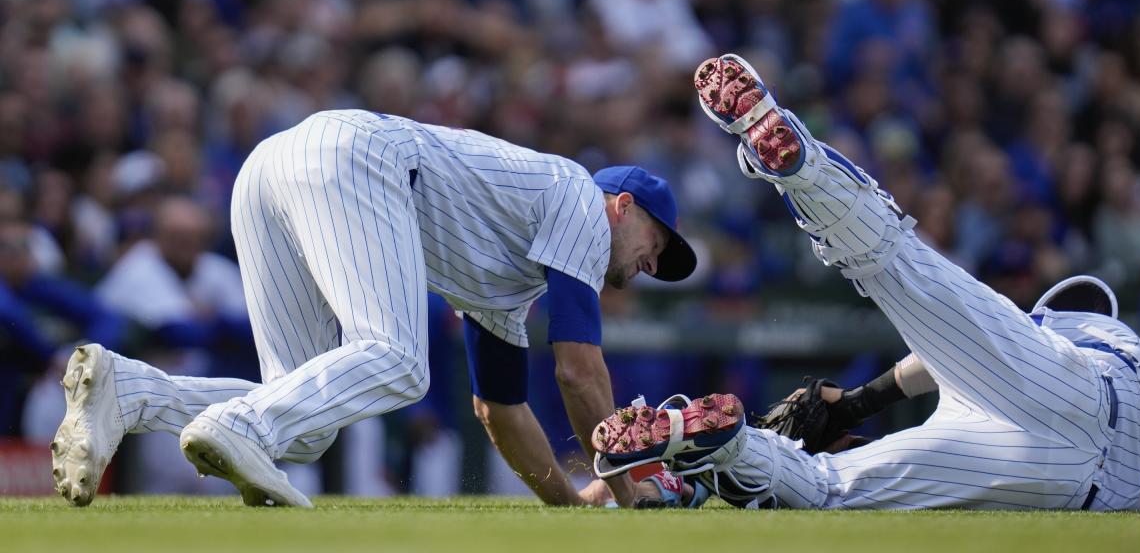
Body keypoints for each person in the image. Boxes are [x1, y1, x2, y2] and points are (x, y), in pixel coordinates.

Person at [592, 54, 1140, 512]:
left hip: (1053, 453)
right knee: (896, 271)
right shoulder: (1100, 342)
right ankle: (719, 444)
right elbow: (962, 356)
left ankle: (729, 448)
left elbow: (957, 354)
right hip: (1102, 467)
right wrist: (852, 405)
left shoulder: (1062, 336)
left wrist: (856, 404)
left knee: (896, 275)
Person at [52, 109, 696, 508]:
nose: (649, 265)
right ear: (624, 206)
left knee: (303, 424)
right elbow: (579, 372)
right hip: (352, 157)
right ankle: (243, 426)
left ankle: (133, 393)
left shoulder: (515, 277)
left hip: (273, 168)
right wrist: (628, 489)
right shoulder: (584, 203)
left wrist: (568, 501)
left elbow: (499, 410)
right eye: (656, 243)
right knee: (397, 360)